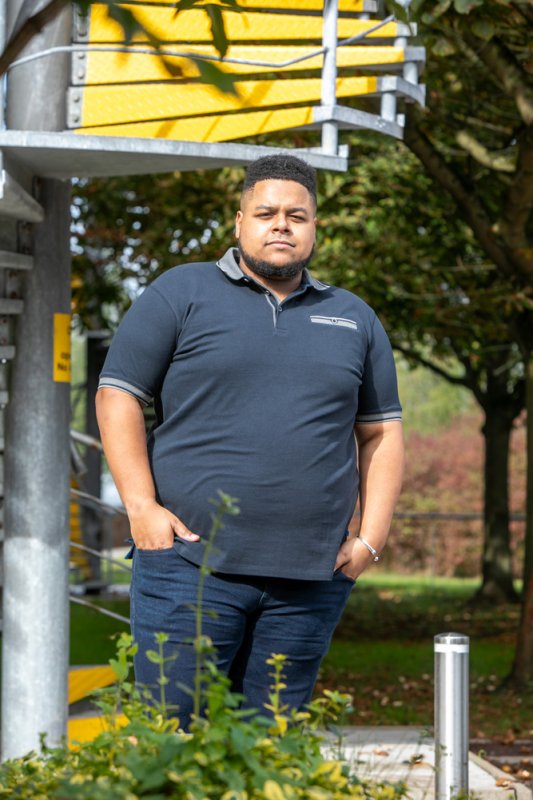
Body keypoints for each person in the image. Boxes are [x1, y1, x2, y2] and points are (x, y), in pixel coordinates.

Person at [96, 154, 404, 727]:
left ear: (314, 228)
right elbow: (118, 395)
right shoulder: (180, 292)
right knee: (174, 738)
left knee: (272, 747)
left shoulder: (354, 317)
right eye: (266, 213)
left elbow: (380, 432)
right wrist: (140, 508)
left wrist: (370, 540)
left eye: (296, 215)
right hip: (187, 565)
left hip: (310, 579)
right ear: (240, 222)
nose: (281, 225)